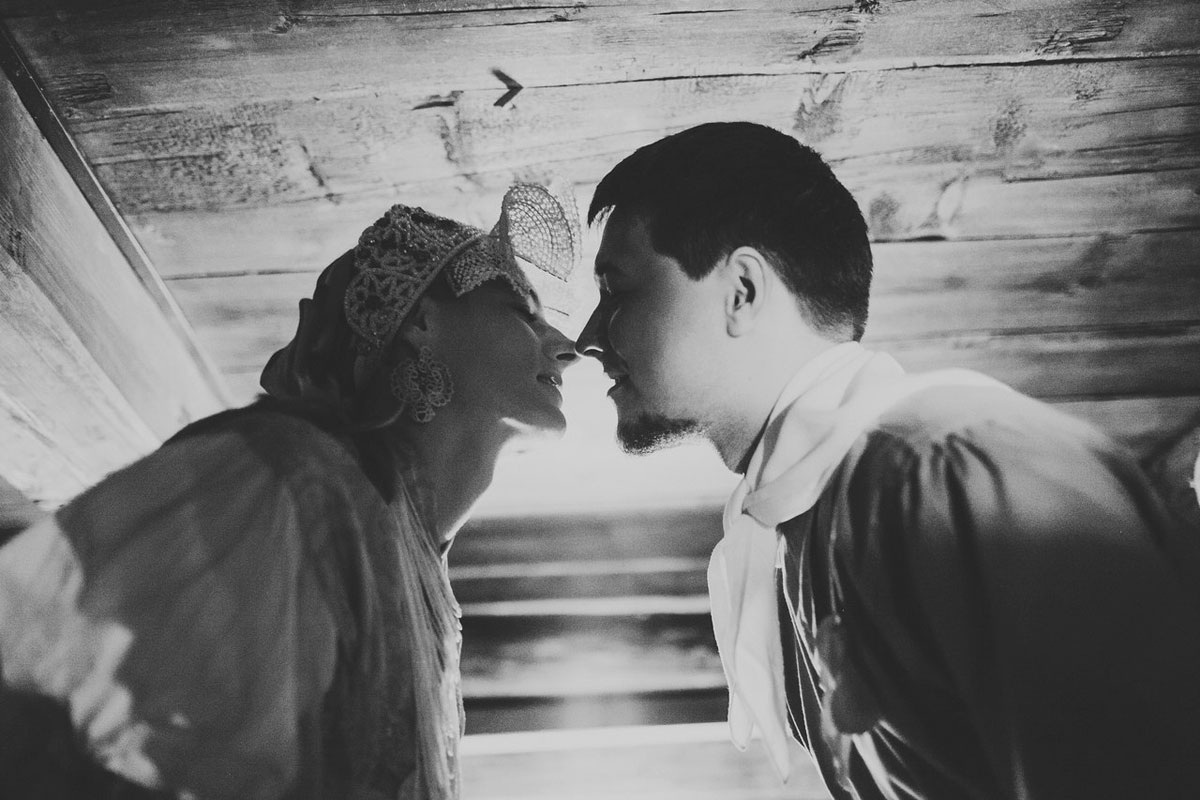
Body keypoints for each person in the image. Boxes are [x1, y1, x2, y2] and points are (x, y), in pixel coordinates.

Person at [576, 121, 1200, 800]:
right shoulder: (804, 526)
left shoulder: (947, 470)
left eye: (617, 290)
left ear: (742, 291)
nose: (587, 338)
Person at [0, 183, 581, 800]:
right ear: (421, 322)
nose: (567, 348)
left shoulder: (416, 563)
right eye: (523, 313)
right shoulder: (289, 481)